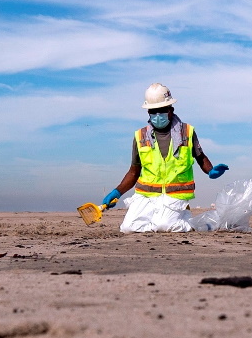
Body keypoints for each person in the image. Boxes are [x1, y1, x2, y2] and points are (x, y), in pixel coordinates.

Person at [97, 83, 227, 233]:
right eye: (153, 111)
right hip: (146, 195)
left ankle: (194, 222)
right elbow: (134, 172)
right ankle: (171, 219)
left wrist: (210, 171)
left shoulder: (186, 132)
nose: (157, 115)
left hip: (175, 194)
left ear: (170, 110)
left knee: (164, 225)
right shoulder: (140, 136)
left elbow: (200, 157)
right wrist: (117, 192)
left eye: (161, 111)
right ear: (148, 112)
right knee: (127, 228)